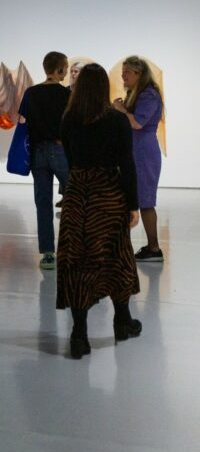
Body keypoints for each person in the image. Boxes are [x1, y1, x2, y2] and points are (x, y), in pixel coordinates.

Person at [57, 63, 141, 359]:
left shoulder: (68, 120)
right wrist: (133, 204)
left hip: (79, 193)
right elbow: (127, 165)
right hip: (108, 193)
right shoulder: (117, 121)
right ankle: (122, 321)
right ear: (105, 88)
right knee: (116, 255)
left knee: (79, 260)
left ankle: (79, 335)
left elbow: (69, 159)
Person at [19, 52, 71, 269]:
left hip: (37, 153)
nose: (66, 72)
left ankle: (48, 254)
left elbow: (23, 120)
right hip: (60, 151)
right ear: (58, 70)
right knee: (77, 199)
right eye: (65, 68)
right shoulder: (66, 95)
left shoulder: (31, 93)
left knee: (43, 203)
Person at [112, 55, 164, 263]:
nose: (123, 75)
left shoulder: (148, 95)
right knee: (135, 200)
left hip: (143, 153)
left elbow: (137, 123)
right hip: (136, 151)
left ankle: (154, 248)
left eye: (127, 72)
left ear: (138, 74)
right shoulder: (139, 94)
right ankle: (147, 248)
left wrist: (121, 110)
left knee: (145, 201)